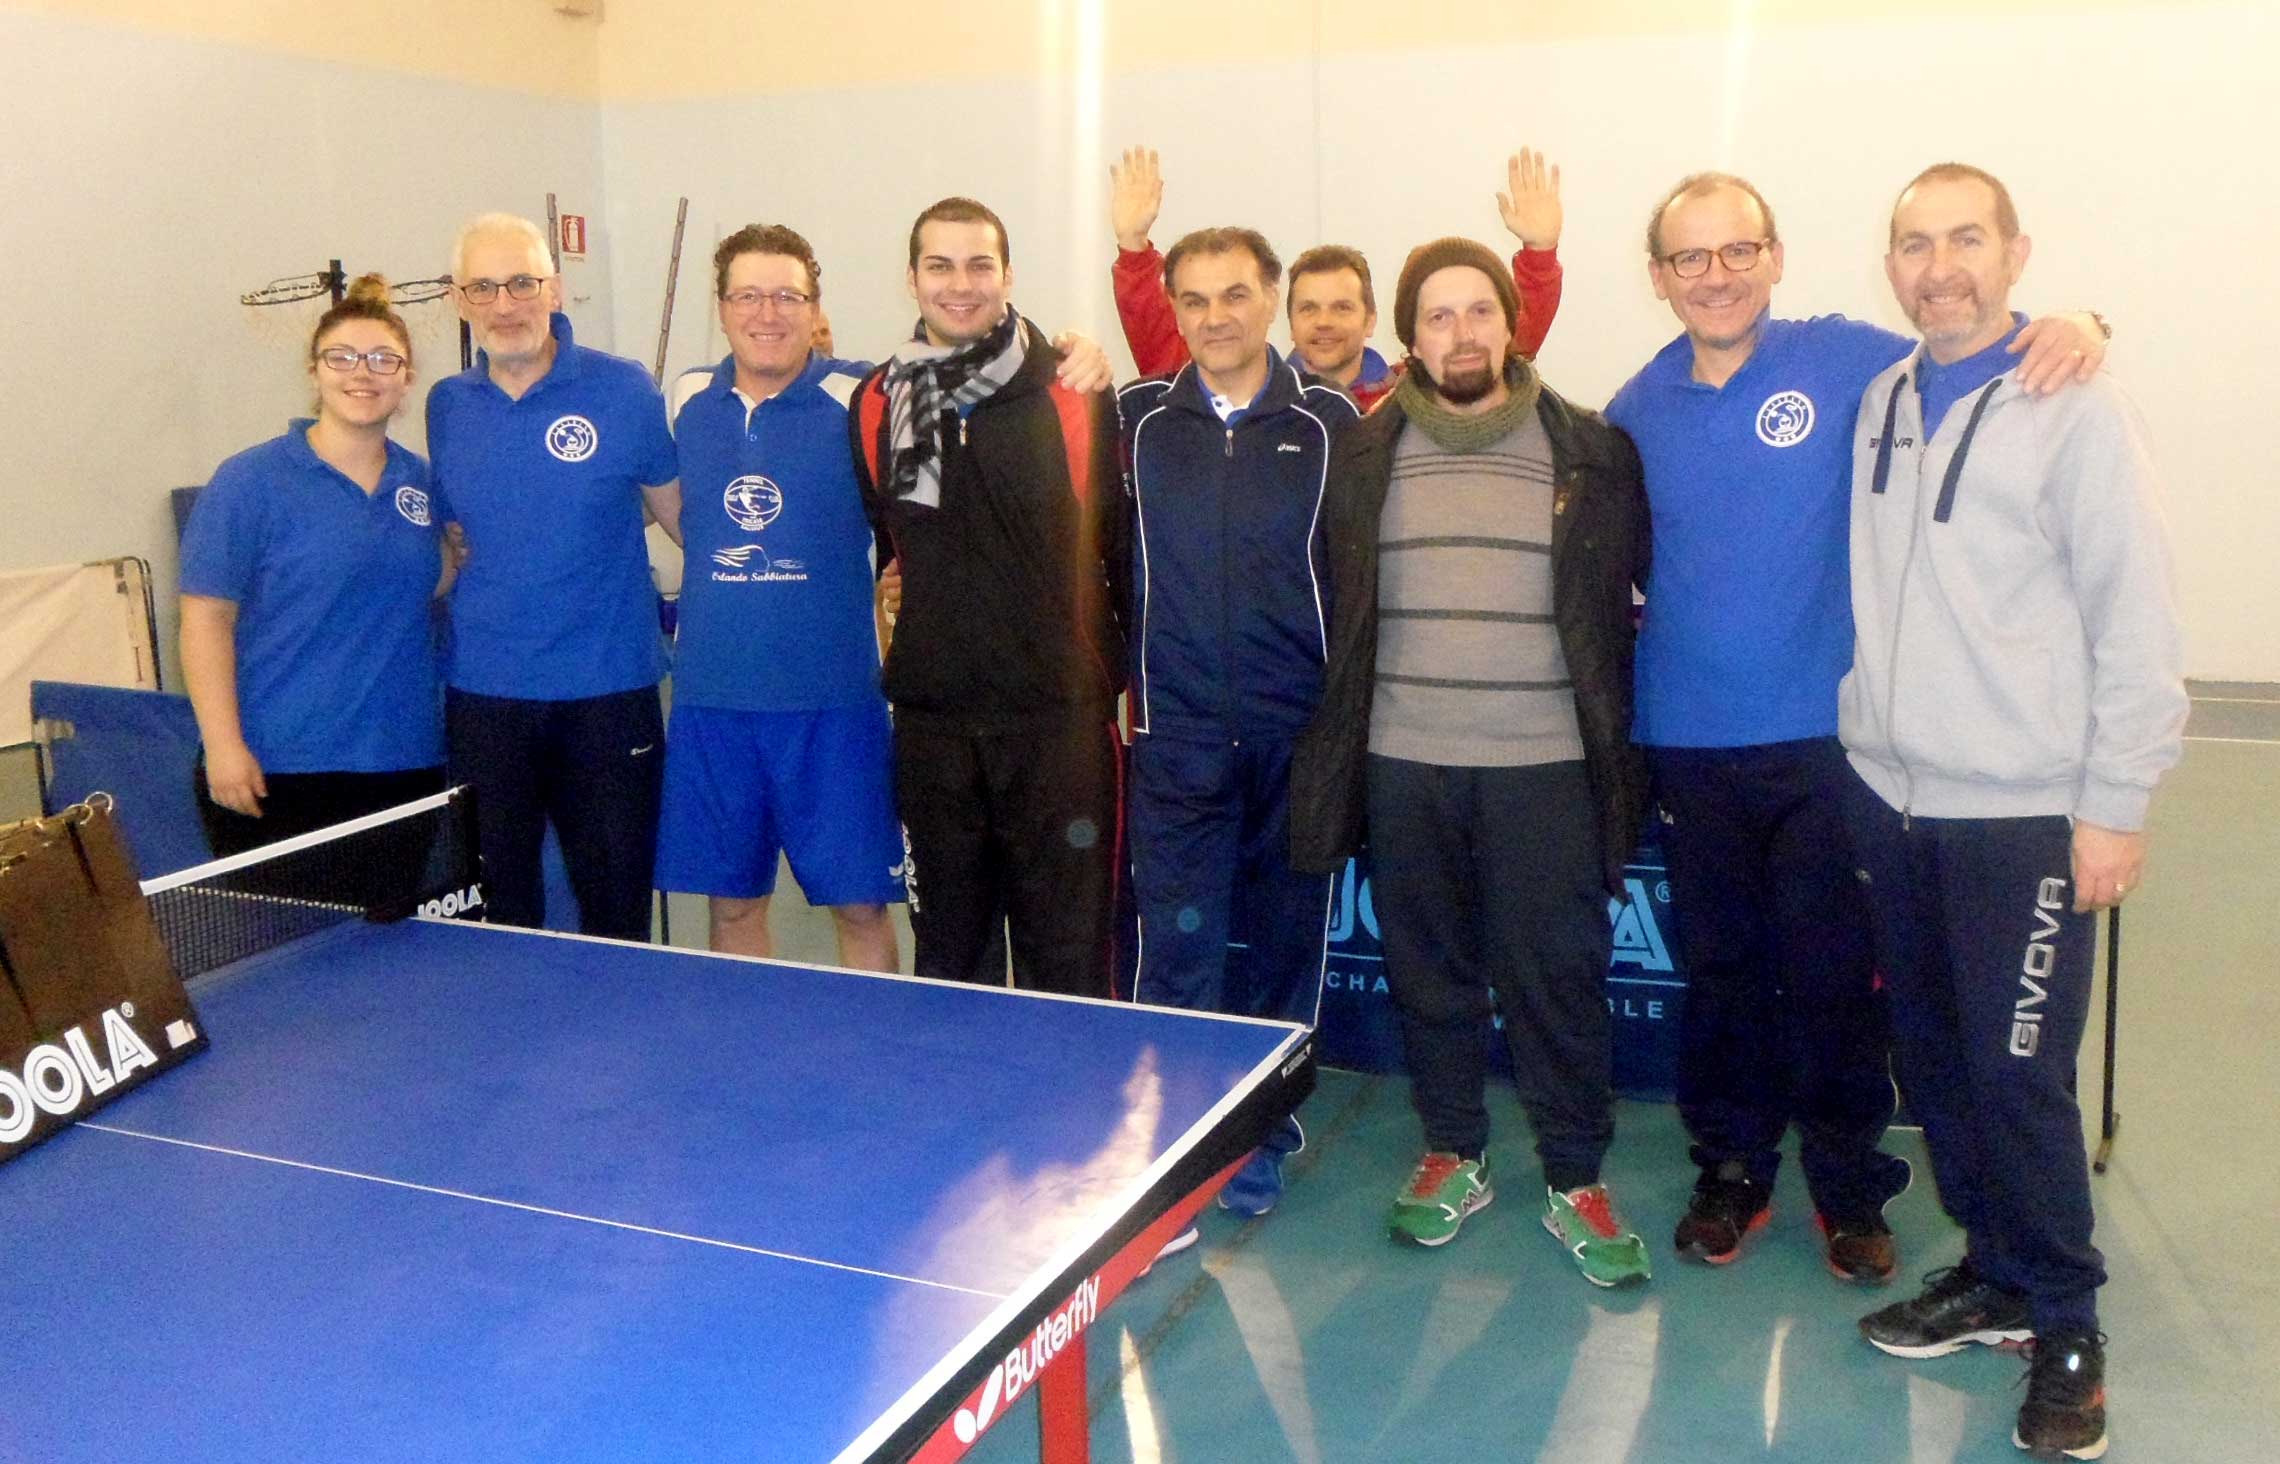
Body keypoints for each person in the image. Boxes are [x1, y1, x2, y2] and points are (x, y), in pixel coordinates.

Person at [1605, 173, 2109, 1282]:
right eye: (1691, 258)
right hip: (1686, 741)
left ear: (1776, 258)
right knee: (1724, 977)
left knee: (1835, 977)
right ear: (1658, 278)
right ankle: (1731, 1169)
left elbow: (1969, 337)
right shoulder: (1634, 411)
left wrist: (2079, 324)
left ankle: (1847, 1182)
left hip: (1832, 745)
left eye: (1739, 250)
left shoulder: (1849, 364)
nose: (1717, 276)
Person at [1841, 163, 2184, 1463]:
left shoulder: (2074, 403)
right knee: (1934, 1067)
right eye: (1915, 244)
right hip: (1895, 799)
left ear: (2016, 253)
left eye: (1967, 239)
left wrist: (2115, 805)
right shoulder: (1881, 396)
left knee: (2017, 1074)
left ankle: (2069, 1322)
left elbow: (2136, 618)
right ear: (1890, 264)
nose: (1941, 268)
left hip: (2026, 812)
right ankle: (1995, 1272)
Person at [1290, 238, 1654, 1286]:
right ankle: (1454, 1150)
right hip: (1404, 765)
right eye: (1439, 316)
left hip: (1548, 768)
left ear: (1511, 322)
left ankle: (1576, 1176)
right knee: (1430, 974)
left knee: (1559, 981)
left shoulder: (1591, 451)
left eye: (1479, 311)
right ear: (1409, 336)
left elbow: (1628, 596)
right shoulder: (1362, 452)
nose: (1461, 334)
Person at [1116, 226, 1359, 1220]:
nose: (1215, 316)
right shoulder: (1133, 420)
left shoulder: (1335, 424)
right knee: (1179, 953)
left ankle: (1262, 1133)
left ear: (1271, 299)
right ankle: (1179, 1143)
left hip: (1296, 742)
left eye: (1235, 294)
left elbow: (1358, 581)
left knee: (1283, 951)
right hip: (1175, 741)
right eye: (1194, 299)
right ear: (1173, 309)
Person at [848, 197, 1126, 997]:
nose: (960, 284)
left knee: (1067, 961)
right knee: (950, 960)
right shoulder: (879, 401)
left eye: (979, 265)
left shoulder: (1073, 387)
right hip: (935, 730)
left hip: (1057, 726)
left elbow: (1117, 544)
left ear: (1008, 275)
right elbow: (894, 544)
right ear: (911, 279)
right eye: (940, 266)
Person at [654, 225, 902, 970]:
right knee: (732, 906)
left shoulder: (862, 396)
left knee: (860, 907)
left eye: (787, 296)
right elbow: (678, 514)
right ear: (722, 308)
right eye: (748, 296)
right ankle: (742, 1040)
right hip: (714, 703)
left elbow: (963, 379)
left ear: (814, 308)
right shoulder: (686, 397)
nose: (767, 313)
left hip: (835, 705)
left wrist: (1074, 350)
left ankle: (873, 1036)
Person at [426, 213, 680, 941]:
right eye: (483, 287)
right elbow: (450, 533)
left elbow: (682, 519)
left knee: (616, 913)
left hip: (608, 694)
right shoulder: (447, 405)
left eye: (522, 283)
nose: (504, 304)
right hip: (486, 699)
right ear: (459, 300)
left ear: (556, 290)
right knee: (502, 918)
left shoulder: (623, 390)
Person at [181, 274, 453, 858]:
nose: (362, 372)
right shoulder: (250, 481)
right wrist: (223, 746)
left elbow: (435, 578)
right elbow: (205, 620)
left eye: (383, 359)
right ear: (314, 372)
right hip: (277, 768)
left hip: (403, 763)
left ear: (406, 379)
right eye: (342, 357)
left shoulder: (426, 483)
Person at [1108, 147, 1565, 402]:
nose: (1324, 322)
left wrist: (1540, 255)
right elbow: (1165, 346)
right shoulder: (1251, 392)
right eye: (1309, 308)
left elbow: (1497, 341)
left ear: (1370, 320)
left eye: (1342, 307)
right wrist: (1133, 249)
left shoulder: (1409, 394)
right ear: (1285, 317)